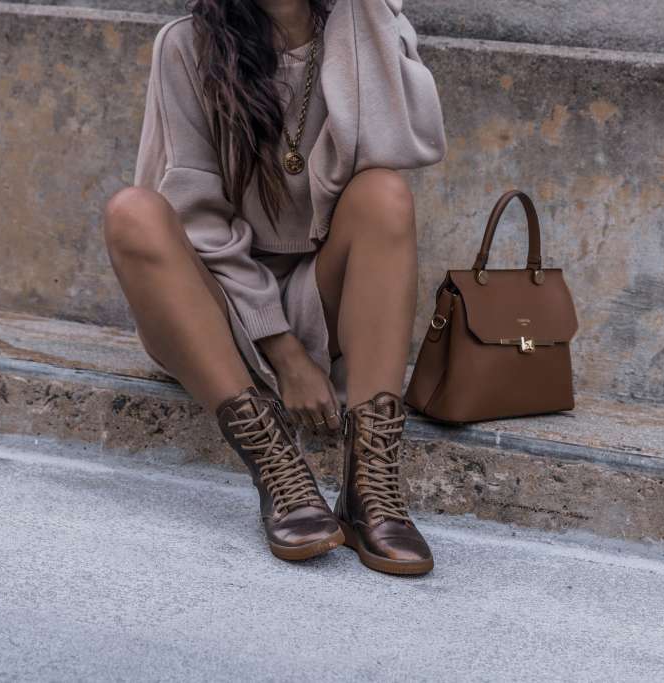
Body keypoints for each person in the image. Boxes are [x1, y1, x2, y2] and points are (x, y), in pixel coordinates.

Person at [103, 0, 447, 575]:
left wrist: (367, 16)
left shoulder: (358, 28)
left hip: (321, 297)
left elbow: (410, 142)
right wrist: (284, 352)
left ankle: (371, 485)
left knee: (384, 193)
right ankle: (276, 465)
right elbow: (196, 219)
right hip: (215, 312)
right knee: (132, 212)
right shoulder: (187, 45)